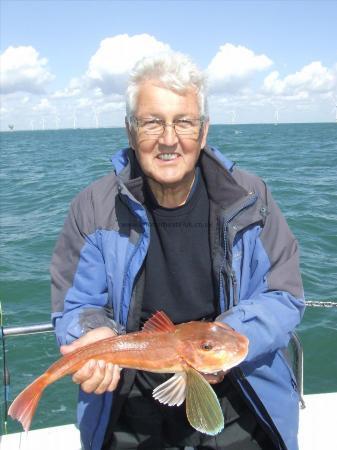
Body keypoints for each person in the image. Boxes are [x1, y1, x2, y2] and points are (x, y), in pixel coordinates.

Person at [51, 51, 305, 450]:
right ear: (130, 131)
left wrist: (224, 340)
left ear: (203, 132)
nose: (168, 139)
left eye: (183, 122)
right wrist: (90, 333)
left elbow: (285, 295)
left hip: (239, 389)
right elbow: (76, 305)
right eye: (152, 122)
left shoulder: (251, 198)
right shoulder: (92, 207)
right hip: (130, 394)